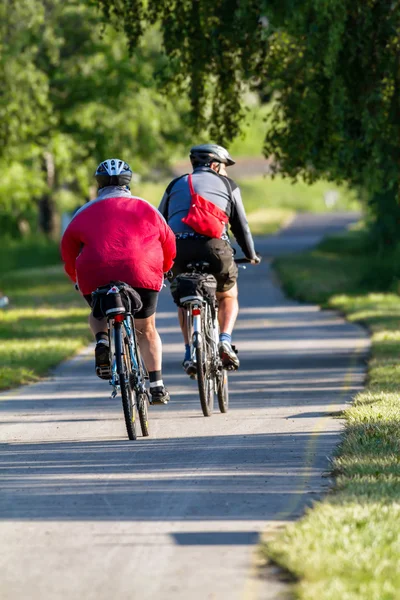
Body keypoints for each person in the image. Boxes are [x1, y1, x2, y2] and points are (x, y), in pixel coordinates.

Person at [61, 158, 176, 405]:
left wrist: (76, 277)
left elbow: (68, 246)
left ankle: (102, 340)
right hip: (142, 272)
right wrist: (165, 269)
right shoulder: (146, 208)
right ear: (128, 182)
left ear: (98, 184)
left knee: (98, 311)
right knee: (146, 330)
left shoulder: (84, 210)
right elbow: (169, 242)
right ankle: (156, 385)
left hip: (95, 273)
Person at [158, 143, 259, 375]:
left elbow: (160, 221)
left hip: (178, 248)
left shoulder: (175, 184)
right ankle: (224, 339)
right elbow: (241, 226)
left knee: (185, 295)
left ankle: (188, 351)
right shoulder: (228, 184)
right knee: (228, 294)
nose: (226, 171)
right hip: (214, 247)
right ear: (214, 165)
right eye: (224, 166)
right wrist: (251, 254)